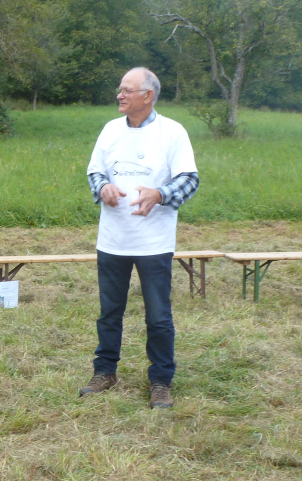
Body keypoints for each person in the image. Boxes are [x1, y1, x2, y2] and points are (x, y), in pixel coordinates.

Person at [82, 67, 199, 409]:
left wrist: (160, 194)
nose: (120, 95)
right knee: (109, 312)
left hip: (153, 243)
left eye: (127, 90)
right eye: (120, 89)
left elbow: (189, 179)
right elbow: (95, 170)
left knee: (158, 316)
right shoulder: (110, 130)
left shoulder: (172, 133)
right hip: (113, 240)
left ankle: (161, 381)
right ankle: (104, 371)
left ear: (147, 96)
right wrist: (102, 186)